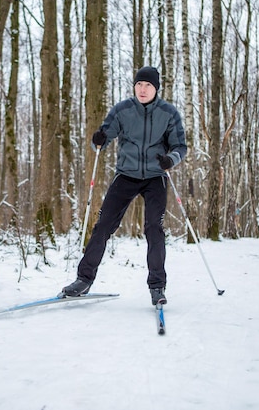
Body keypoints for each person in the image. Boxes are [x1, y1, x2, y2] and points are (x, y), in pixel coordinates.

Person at [62, 66, 187, 306]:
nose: (143, 89)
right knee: (103, 225)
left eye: (148, 85)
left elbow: (180, 146)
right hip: (126, 175)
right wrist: (98, 140)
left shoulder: (168, 113)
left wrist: (170, 159)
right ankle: (83, 280)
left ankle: (157, 286)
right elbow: (103, 137)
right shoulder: (123, 110)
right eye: (139, 84)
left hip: (155, 176)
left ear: (156, 88)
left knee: (154, 228)